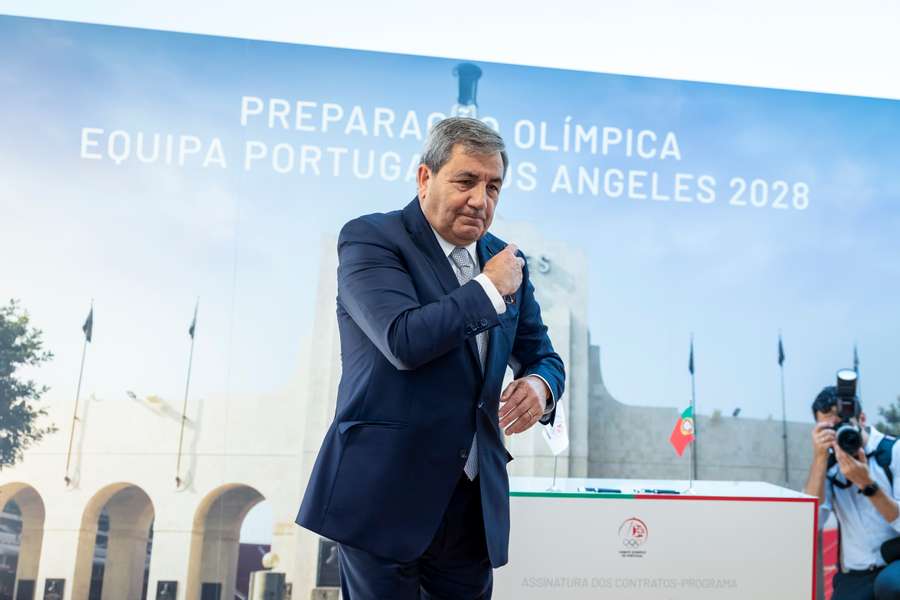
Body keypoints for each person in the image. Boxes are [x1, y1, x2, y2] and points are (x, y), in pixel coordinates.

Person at [295, 117, 565, 599]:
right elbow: (402, 339)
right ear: (425, 178)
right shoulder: (372, 239)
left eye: (493, 187)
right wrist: (488, 288)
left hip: (470, 507)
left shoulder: (505, 261)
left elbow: (542, 354)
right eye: (466, 181)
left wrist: (540, 387)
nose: (481, 200)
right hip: (383, 498)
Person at [804, 386, 900, 599]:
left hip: (895, 563)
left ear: (862, 418)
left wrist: (868, 485)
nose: (841, 434)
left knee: (891, 585)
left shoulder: (893, 452)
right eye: (831, 429)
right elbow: (812, 522)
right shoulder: (827, 466)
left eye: (843, 425)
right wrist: (819, 458)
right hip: (856, 573)